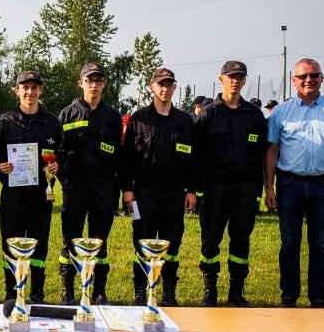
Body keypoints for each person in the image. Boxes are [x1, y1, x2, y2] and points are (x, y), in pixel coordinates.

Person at [265, 58, 324, 308]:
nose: (309, 80)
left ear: (322, 78)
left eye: (314, 75)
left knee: (320, 244)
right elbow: (272, 151)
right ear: (294, 80)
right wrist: (269, 187)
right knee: (289, 243)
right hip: (289, 185)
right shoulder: (281, 112)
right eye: (303, 76)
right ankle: (288, 297)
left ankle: (318, 299)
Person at [193, 61, 267, 307]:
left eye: (240, 76)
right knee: (210, 240)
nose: (235, 80)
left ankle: (236, 293)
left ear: (245, 81)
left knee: (241, 241)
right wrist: (197, 190)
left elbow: (260, 157)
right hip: (215, 188)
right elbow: (195, 156)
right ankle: (210, 291)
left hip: (245, 189)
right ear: (221, 79)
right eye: (230, 76)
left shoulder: (255, 116)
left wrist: (259, 192)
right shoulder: (208, 114)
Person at [121, 68, 198, 307]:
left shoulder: (185, 121)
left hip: (174, 194)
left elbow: (195, 159)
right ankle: (140, 294)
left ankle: (168, 295)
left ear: (175, 87)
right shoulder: (139, 119)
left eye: (169, 84)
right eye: (160, 84)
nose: (165, 88)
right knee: (141, 243)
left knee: (172, 245)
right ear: (151, 87)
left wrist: (192, 190)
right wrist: (127, 189)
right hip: (143, 194)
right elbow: (127, 158)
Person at [0, 70, 61, 303]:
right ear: (17, 90)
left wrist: (57, 166)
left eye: (34, 87)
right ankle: (12, 292)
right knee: (11, 241)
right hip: (13, 194)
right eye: (25, 87)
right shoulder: (6, 121)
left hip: (42, 194)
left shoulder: (51, 122)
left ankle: (37, 293)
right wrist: (1, 168)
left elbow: (61, 153)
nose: (30, 92)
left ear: (40, 90)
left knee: (40, 243)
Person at [56, 63, 121, 306]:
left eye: (98, 80)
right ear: (80, 83)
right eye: (89, 80)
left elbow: (118, 154)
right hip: (75, 186)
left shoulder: (113, 116)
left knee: (99, 241)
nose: (93, 84)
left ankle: (99, 291)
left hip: (103, 187)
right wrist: (66, 181)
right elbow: (58, 153)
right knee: (71, 240)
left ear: (104, 83)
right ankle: (68, 291)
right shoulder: (67, 114)